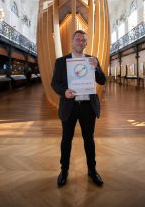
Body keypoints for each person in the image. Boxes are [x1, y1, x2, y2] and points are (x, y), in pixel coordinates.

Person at [51, 30, 106, 187]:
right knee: (66, 139)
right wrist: (64, 92)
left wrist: (96, 68)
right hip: (70, 106)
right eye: (77, 39)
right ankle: (64, 170)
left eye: (83, 40)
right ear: (72, 41)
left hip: (88, 107)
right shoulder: (61, 62)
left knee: (89, 139)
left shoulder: (92, 60)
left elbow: (102, 80)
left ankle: (92, 170)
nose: (80, 42)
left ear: (86, 43)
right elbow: (55, 83)